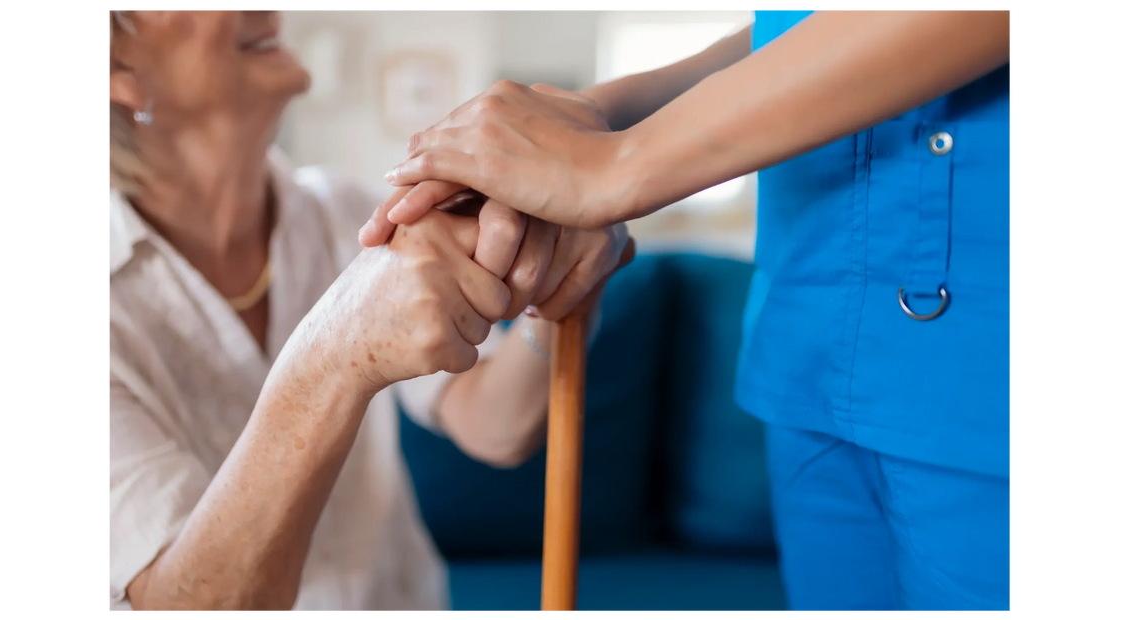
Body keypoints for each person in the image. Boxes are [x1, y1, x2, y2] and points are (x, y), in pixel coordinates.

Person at [361, 7, 1013, 614]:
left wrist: (618, 166)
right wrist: (602, 114)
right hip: (811, 352)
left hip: (980, 366)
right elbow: (799, 25)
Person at [105, 7, 631, 614]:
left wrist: (567, 291)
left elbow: (495, 425)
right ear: (118, 67)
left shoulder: (347, 214)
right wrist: (334, 356)